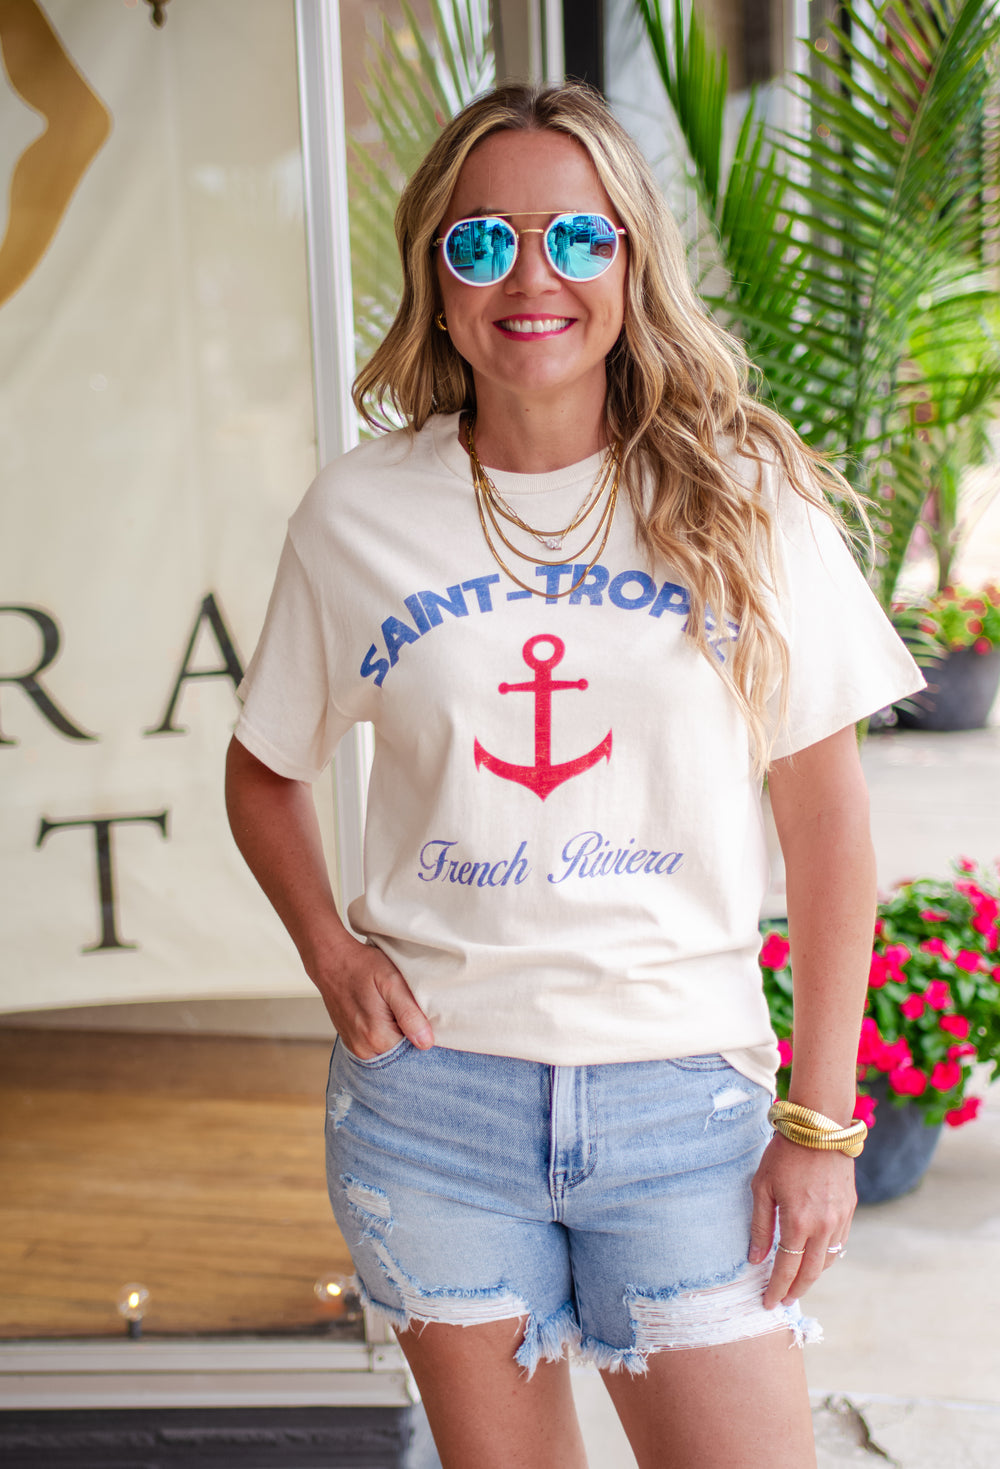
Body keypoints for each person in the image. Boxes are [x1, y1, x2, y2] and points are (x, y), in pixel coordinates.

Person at [225, 82, 923, 1469]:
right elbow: (263, 771)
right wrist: (330, 950)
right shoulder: (359, 513)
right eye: (482, 242)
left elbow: (831, 833)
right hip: (434, 1110)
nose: (531, 277)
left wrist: (823, 1124)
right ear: (436, 278)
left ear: (632, 263)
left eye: (578, 238)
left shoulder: (743, 498)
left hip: (686, 1109)